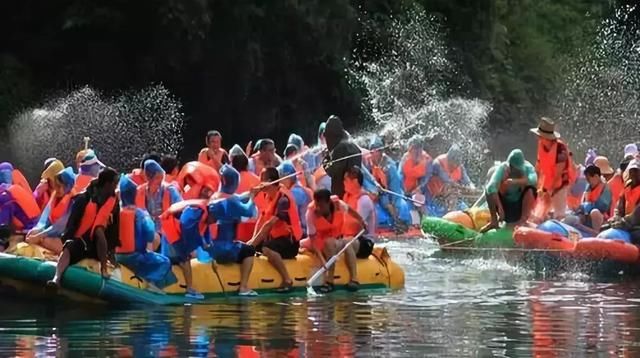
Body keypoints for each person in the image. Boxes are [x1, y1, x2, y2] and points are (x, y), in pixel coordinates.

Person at [46, 168, 120, 289]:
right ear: (107, 184)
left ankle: (104, 269)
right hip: (83, 240)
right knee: (69, 247)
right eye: (114, 183)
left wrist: (111, 254)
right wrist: (67, 241)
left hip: (100, 246)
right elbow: (72, 223)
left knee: (99, 232)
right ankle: (56, 279)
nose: (116, 186)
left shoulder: (113, 202)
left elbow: (114, 229)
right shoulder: (84, 198)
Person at [205, 165, 259, 296]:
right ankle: (244, 287)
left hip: (210, 249)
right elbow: (248, 211)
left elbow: (233, 199)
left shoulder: (214, 198)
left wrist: (247, 194)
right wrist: (252, 197)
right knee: (249, 250)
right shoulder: (232, 201)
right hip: (226, 251)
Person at [160, 178, 216, 300]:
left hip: (176, 231)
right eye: (215, 218)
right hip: (172, 230)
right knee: (185, 258)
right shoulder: (196, 210)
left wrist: (209, 246)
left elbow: (204, 228)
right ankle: (189, 289)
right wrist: (200, 244)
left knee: (183, 256)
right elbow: (186, 227)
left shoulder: (207, 212)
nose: (215, 221)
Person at [116, 175, 175, 292]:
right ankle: (154, 286)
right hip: (135, 257)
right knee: (165, 261)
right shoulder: (140, 214)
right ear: (134, 194)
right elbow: (149, 234)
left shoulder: (115, 212)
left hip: (117, 256)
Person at [301, 188, 367, 292]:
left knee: (347, 242)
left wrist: (362, 221)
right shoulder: (310, 213)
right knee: (329, 243)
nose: (318, 208)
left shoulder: (338, 204)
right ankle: (329, 281)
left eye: (321, 206)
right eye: (316, 204)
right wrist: (322, 260)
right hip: (319, 243)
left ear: (328, 202)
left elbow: (351, 211)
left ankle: (354, 279)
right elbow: (313, 240)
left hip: (337, 240)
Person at [249, 168, 303, 293]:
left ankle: (287, 280)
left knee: (266, 248)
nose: (259, 183)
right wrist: (252, 241)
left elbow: (268, 224)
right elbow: (261, 221)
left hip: (290, 242)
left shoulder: (283, 199)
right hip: (277, 238)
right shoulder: (267, 195)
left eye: (261, 180)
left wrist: (252, 244)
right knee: (256, 245)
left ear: (268, 181)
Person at [481, 149, 537, 232]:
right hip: (505, 209)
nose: (516, 171)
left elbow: (534, 180)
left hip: (519, 208)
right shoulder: (502, 168)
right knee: (488, 191)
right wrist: (500, 207)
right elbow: (491, 187)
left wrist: (514, 181)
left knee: (530, 190)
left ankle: (522, 222)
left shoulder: (528, 168)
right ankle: (494, 221)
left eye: (518, 169)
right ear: (510, 166)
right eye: (514, 169)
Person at [530, 117, 575, 220]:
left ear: (546, 137)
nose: (538, 138)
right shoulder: (541, 144)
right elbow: (538, 164)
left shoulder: (560, 149)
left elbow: (558, 173)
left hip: (560, 183)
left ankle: (561, 225)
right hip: (547, 183)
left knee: (559, 214)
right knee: (541, 210)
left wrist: (549, 190)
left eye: (540, 136)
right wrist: (538, 186)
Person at [364, 136, 411, 231]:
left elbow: (395, 188)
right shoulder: (366, 162)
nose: (375, 153)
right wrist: (372, 190)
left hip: (388, 192)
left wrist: (393, 206)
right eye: (372, 151)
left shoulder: (390, 166)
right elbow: (365, 180)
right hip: (374, 192)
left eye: (378, 151)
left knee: (400, 207)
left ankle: (397, 221)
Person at [26, 167, 77, 254]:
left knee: (46, 241)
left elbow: (59, 227)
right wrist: (37, 230)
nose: (56, 189)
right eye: (55, 185)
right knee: (32, 233)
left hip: (67, 238)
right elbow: (44, 220)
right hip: (53, 234)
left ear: (68, 186)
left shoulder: (73, 202)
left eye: (59, 186)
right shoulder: (55, 196)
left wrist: (39, 236)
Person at [135, 160, 182, 235]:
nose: (160, 181)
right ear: (148, 178)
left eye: (161, 177)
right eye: (157, 178)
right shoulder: (140, 191)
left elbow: (181, 209)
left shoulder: (170, 190)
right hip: (147, 233)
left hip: (167, 234)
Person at [323, 115, 362, 198]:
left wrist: (326, 158)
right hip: (354, 192)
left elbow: (332, 171)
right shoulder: (351, 144)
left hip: (343, 193)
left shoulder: (340, 148)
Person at [229, 144, 262, 241]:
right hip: (256, 227)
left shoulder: (229, 181)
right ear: (247, 165)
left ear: (232, 165)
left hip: (236, 228)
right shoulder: (257, 180)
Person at [343, 166, 376, 259]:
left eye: (346, 180)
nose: (343, 182)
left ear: (355, 182)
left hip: (365, 242)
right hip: (348, 238)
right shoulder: (347, 197)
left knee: (346, 242)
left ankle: (353, 273)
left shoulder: (364, 200)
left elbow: (356, 227)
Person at [0, 162, 40, 238]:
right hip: (40, 226)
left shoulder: (6, 195)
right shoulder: (19, 188)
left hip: (29, 232)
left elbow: (2, 225)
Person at [566, 165, 611, 232]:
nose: (588, 181)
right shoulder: (588, 188)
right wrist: (580, 209)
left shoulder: (605, 189)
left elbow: (603, 206)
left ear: (596, 176)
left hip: (600, 218)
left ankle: (596, 233)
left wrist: (588, 206)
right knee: (571, 216)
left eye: (588, 179)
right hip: (586, 216)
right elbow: (583, 203)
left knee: (595, 212)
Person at [277, 161, 312, 236]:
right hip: (302, 232)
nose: (279, 182)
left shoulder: (296, 192)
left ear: (288, 179)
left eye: (280, 178)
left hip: (303, 233)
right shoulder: (296, 189)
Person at [611, 160, 640, 238]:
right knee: (604, 228)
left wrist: (624, 222)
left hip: (636, 226)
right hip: (625, 224)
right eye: (631, 171)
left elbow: (637, 214)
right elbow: (618, 207)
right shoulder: (627, 187)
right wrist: (616, 217)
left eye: (636, 171)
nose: (633, 174)